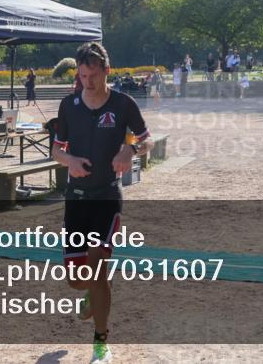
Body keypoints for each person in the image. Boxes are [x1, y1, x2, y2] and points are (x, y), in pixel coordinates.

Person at [51, 42, 152, 363]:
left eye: (93, 75)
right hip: (76, 200)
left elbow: (146, 138)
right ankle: (93, 298)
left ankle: (100, 342)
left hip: (107, 197)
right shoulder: (68, 106)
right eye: (82, 75)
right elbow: (57, 150)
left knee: (97, 266)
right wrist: (71, 161)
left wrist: (130, 150)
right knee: (77, 280)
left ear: (106, 71)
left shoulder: (123, 104)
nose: (88, 82)